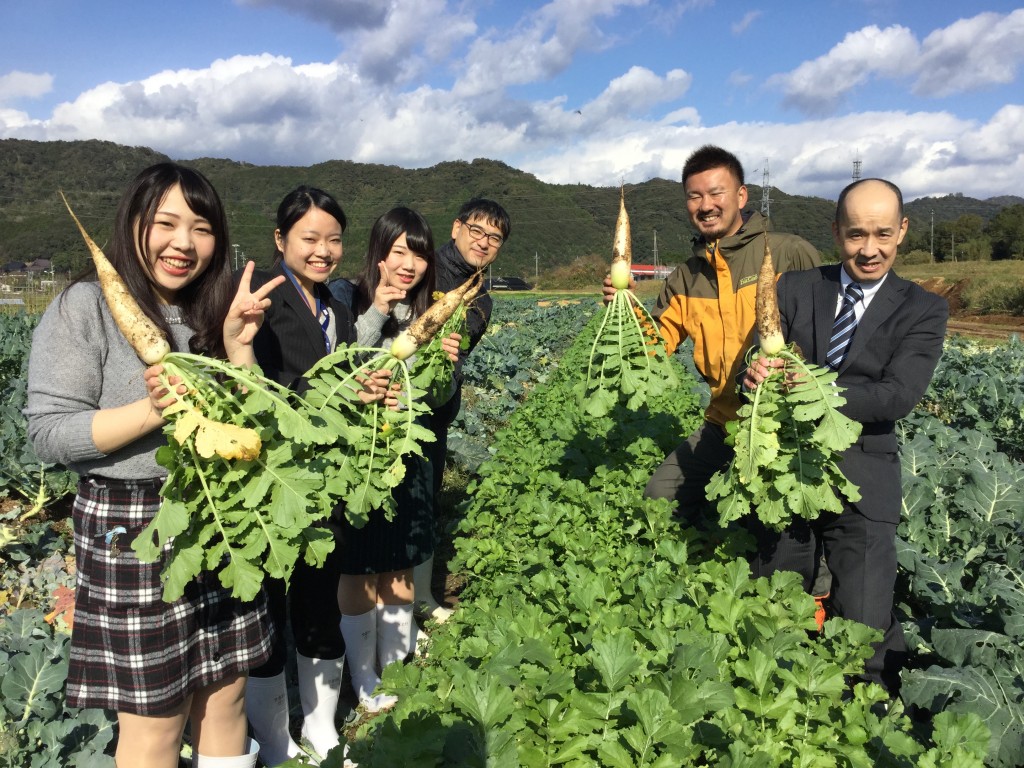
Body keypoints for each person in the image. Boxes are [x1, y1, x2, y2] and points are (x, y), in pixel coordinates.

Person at [26, 162, 286, 768]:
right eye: (165, 223)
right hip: (132, 528)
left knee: (226, 698)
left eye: (201, 227)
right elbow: (49, 435)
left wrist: (241, 347)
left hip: (220, 516)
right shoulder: (82, 308)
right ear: (133, 226)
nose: (183, 243)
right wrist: (152, 410)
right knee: (156, 721)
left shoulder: (214, 309)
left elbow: (250, 433)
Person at [742, 178, 948, 694]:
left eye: (882, 234)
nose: (870, 249)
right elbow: (751, 357)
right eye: (857, 235)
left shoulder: (922, 309)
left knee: (864, 629)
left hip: (865, 475)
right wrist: (752, 372)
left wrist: (813, 387)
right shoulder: (793, 288)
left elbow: (896, 395)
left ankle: (866, 721)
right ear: (836, 233)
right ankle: (779, 711)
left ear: (901, 231)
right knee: (776, 612)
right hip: (787, 473)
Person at [246, 186, 389, 765]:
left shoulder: (336, 303)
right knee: (265, 608)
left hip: (328, 475)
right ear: (281, 241)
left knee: (319, 597)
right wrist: (332, 390)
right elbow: (258, 380)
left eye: (333, 240)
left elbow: (352, 365)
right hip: (274, 475)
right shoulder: (263, 301)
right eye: (310, 239)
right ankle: (276, 740)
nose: (323, 250)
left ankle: (322, 727)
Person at [618, 146, 820, 516]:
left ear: (741, 196)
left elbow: (827, 338)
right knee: (659, 499)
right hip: (724, 423)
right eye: (695, 196)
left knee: (790, 522)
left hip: (789, 424)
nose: (705, 205)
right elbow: (651, 350)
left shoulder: (789, 253)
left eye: (716, 193)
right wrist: (623, 309)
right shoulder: (684, 278)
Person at [330, 207, 460, 713]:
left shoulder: (428, 309)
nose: (410, 264)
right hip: (359, 461)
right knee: (360, 567)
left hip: (406, 454)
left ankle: (396, 669)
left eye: (419, 254)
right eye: (399, 251)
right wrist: (378, 311)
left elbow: (443, 404)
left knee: (401, 561)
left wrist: (447, 367)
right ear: (379, 251)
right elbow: (337, 368)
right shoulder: (347, 298)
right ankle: (363, 678)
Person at [416, 198, 511, 621]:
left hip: (435, 404)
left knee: (425, 495)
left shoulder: (481, 293)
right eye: (477, 231)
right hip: (394, 398)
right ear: (456, 228)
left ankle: (418, 595)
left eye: (495, 237)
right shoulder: (422, 265)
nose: (485, 242)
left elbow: (458, 347)